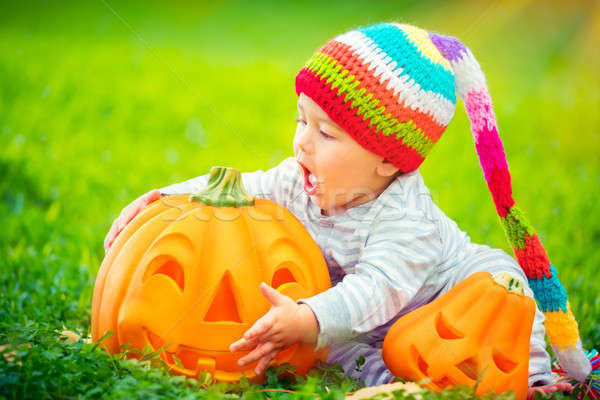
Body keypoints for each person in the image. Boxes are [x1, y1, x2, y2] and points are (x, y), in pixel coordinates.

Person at [104, 22, 590, 398]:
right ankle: (397, 382)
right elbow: (241, 188)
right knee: (331, 352)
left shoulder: (407, 220)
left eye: (325, 133)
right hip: (366, 324)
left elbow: (377, 289)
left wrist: (309, 316)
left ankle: (534, 379)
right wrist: (168, 198)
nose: (302, 142)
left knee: (499, 287)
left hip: (450, 302)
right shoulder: (298, 178)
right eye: (301, 120)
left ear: (386, 160)